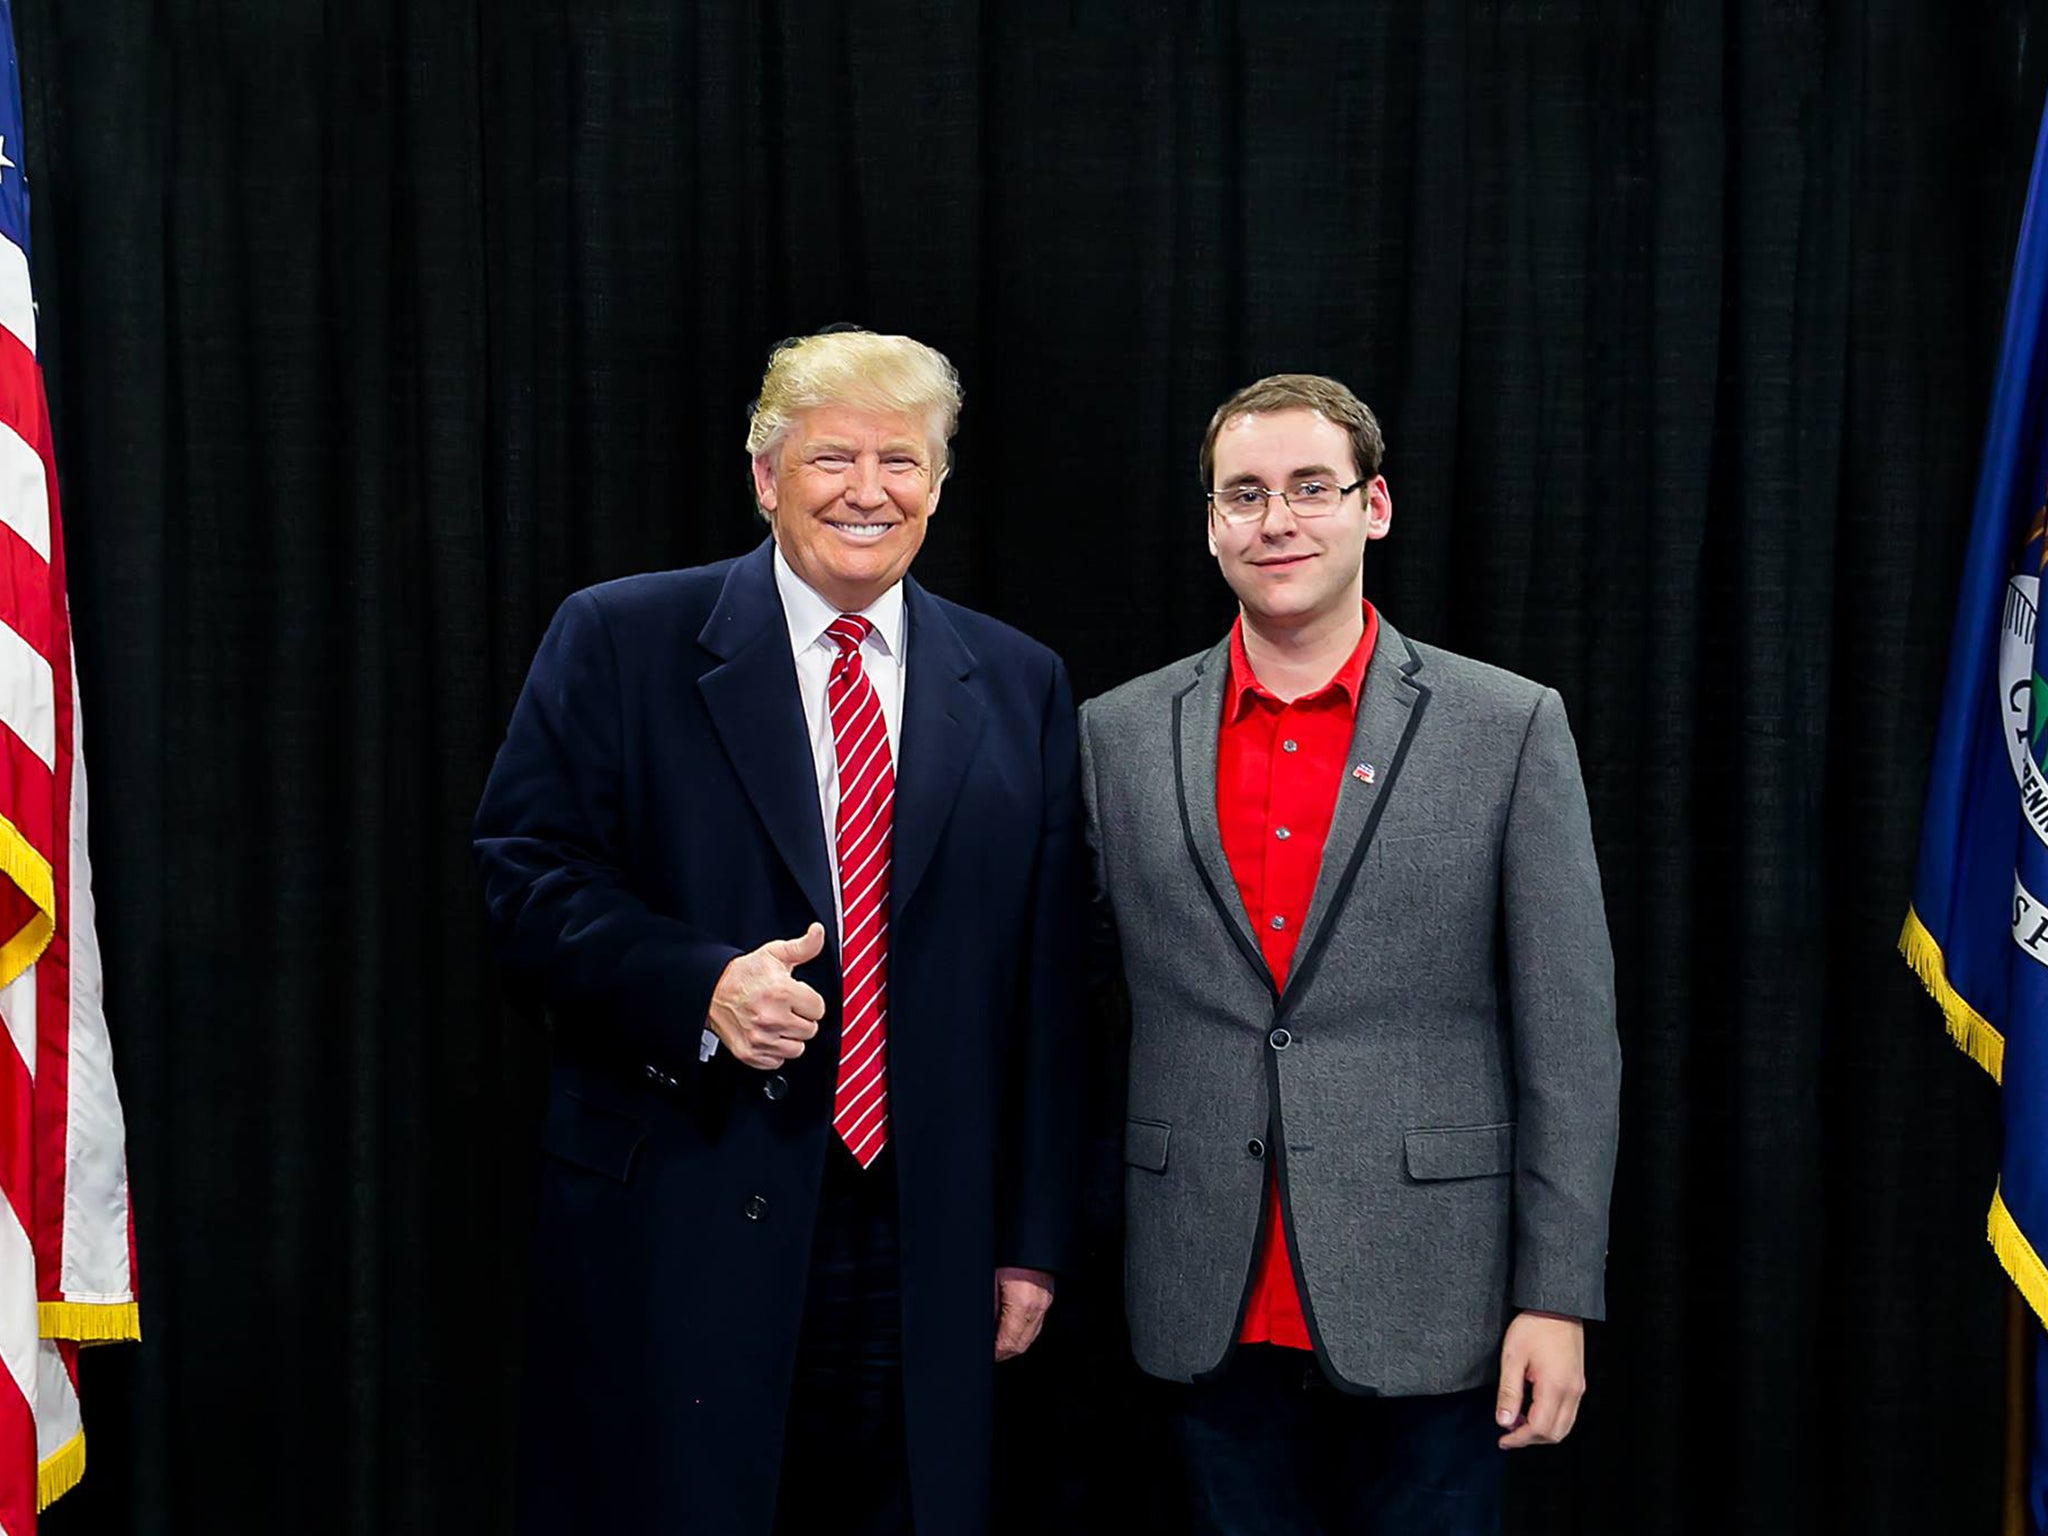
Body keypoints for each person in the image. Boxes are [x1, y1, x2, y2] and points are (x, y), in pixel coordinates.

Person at [474, 327, 1082, 1535]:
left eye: (901, 461)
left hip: (926, 1242)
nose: (869, 491)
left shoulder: (1019, 682)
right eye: (831, 459)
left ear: (940, 482)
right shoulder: (620, 637)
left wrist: (1031, 1240)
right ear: (764, 477)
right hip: (684, 1214)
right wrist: (696, 987)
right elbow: (523, 877)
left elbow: (1048, 987)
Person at [1079, 374, 1620, 1535]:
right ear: (1210, 524)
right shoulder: (1113, 735)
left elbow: (1568, 1041)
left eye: (1309, 488)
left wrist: (1557, 1297)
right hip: (1198, 1295)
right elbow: (1061, 1008)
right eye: (1244, 494)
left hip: (1439, 1297)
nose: (1276, 520)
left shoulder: (1506, 724)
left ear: (1373, 506)